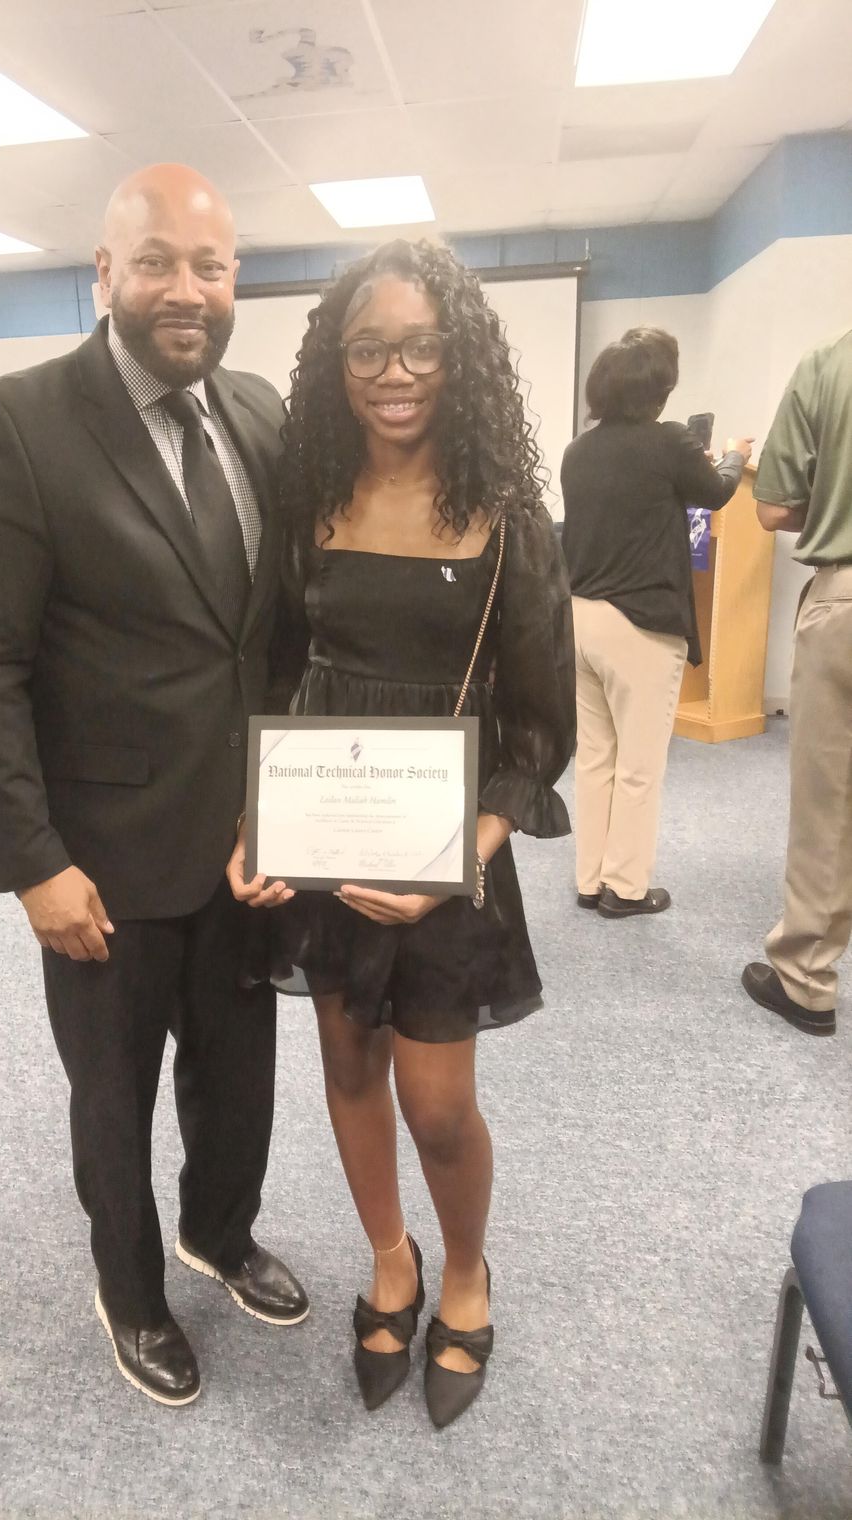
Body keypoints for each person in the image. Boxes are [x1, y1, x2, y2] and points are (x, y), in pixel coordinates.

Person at [0, 164, 307, 1409]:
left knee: (238, 1076)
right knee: (115, 1097)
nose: (185, 289)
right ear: (106, 273)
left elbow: (265, 633)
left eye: (211, 264)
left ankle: (219, 1229)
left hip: (244, 847)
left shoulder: (253, 412)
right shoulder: (16, 420)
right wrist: (31, 860)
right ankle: (131, 1288)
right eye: (156, 262)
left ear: (236, 275)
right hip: (99, 856)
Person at [229, 239, 575, 1429]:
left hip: (444, 856)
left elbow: (540, 733)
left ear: (459, 354)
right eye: (367, 347)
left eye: (420, 344)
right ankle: (392, 1256)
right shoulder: (310, 502)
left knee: (437, 1102)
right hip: (326, 834)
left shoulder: (508, 518)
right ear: (336, 360)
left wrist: (461, 859)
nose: (393, 371)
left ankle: (466, 1270)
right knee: (346, 1064)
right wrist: (255, 820)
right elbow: (279, 673)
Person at [560, 328, 753, 917]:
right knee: (640, 765)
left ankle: (591, 879)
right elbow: (717, 491)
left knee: (595, 758)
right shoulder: (669, 442)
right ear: (661, 391)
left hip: (582, 618)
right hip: (641, 625)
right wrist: (737, 453)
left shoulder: (578, 450)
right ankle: (626, 888)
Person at [742, 327, 852, 1037]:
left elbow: (774, 508)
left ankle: (807, 979)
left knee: (829, 801)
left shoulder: (829, 365)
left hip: (845, 598)